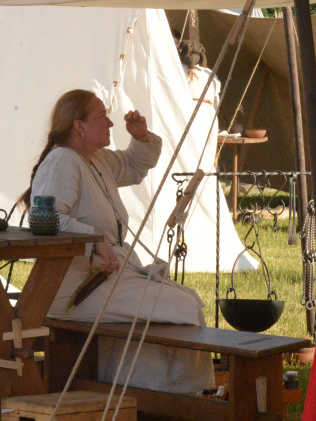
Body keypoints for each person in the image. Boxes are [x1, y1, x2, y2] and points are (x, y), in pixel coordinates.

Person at [21, 89, 214, 394]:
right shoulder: (62, 161)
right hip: (75, 290)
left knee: (183, 300)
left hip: (105, 277)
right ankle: (173, 394)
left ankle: (152, 389)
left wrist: (140, 136)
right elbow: (44, 219)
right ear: (79, 126)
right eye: (102, 116)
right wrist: (95, 240)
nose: (110, 123)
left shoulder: (95, 159)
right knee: (183, 307)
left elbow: (135, 166)